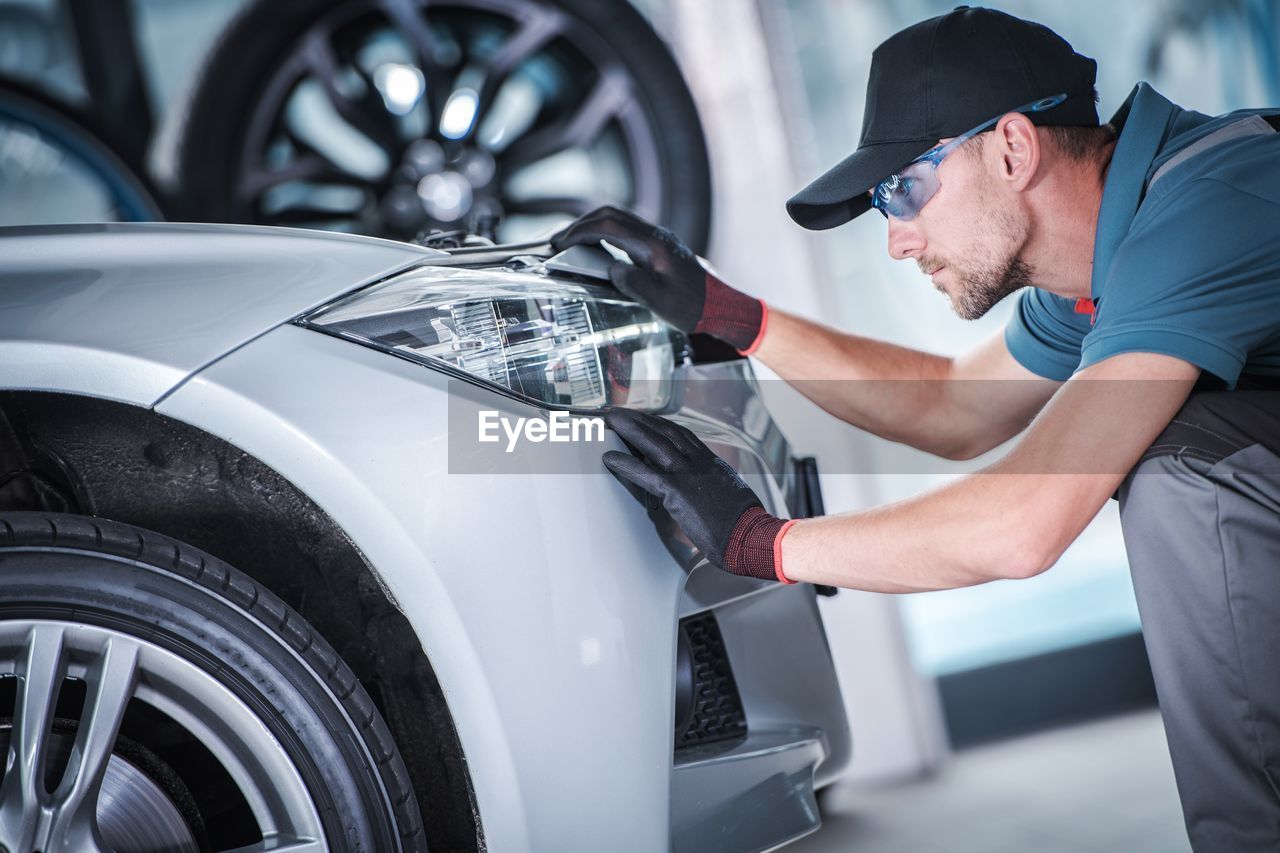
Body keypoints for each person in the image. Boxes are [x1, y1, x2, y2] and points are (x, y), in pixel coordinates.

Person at [550, 6, 1280, 852]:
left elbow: (1023, 524)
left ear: (1013, 147)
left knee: (1175, 459)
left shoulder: (1209, 208)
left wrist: (762, 542)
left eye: (905, 189)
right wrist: (729, 312)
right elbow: (955, 407)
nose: (898, 239)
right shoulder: (1109, 259)